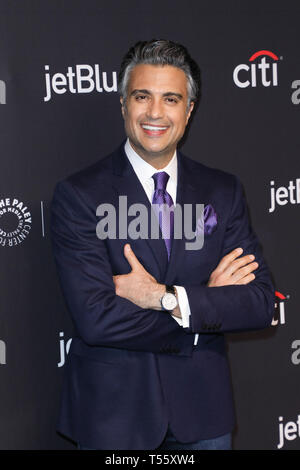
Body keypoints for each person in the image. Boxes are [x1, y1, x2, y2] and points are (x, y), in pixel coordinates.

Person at [51, 39, 274, 450]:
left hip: (204, 416)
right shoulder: (79, 195)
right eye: (142, 97)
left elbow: (259, 302)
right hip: (115, 417)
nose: (155, 113)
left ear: (188, 111)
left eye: (171, 99)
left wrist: (164, 298)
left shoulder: (222, 192)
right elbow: (96, 318)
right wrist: (204, 309)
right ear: (123, 104)